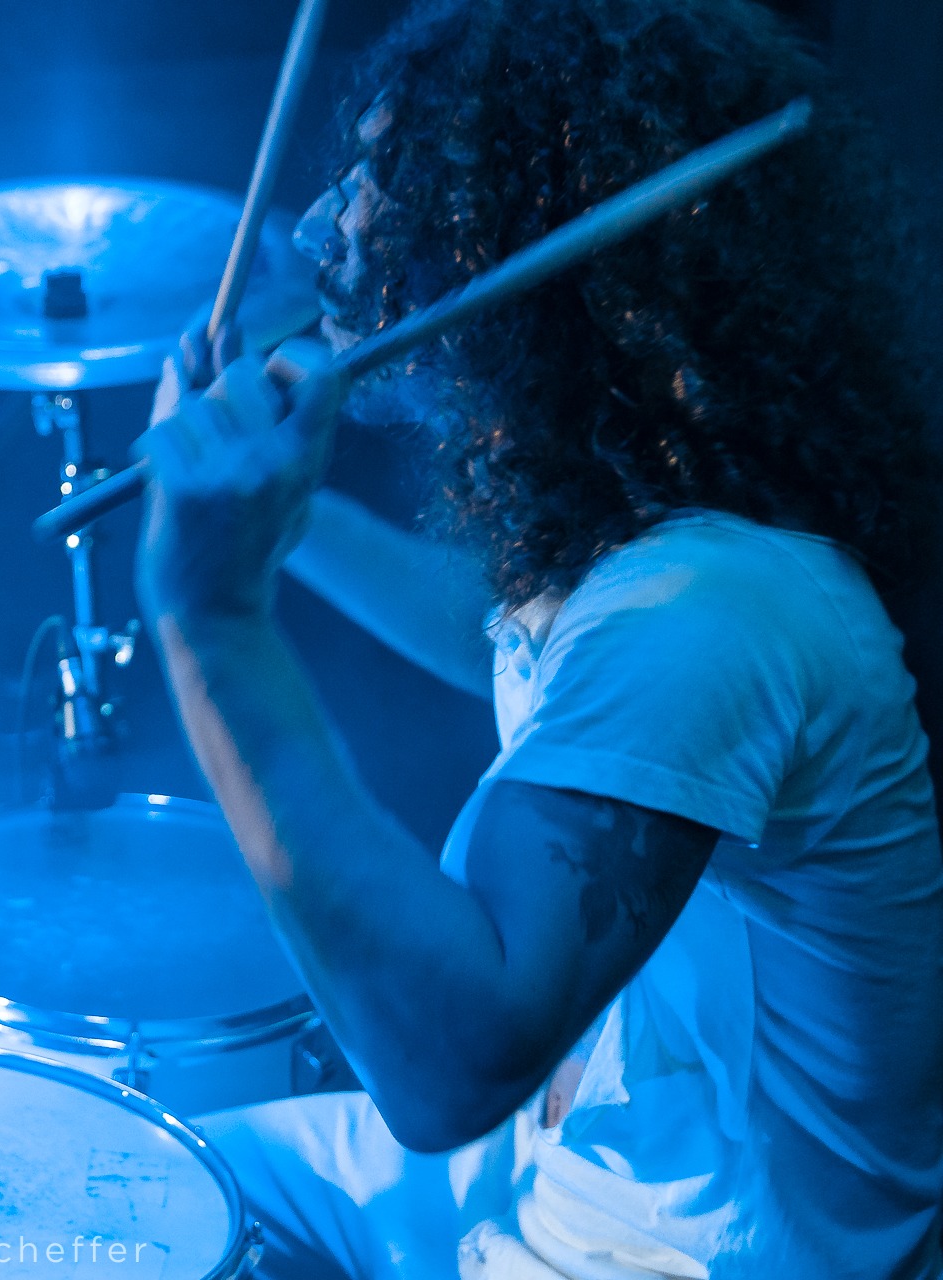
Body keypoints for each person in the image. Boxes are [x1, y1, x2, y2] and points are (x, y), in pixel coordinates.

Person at [137, 0, 943, 1276]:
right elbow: (493, 638)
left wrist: (214, 618)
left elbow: (451, 1067)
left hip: (664, 1254)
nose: (324, 219)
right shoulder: (653, 551)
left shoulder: (709, 613)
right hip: (546, 1170)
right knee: (110, 1172)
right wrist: (287, 520)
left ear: (543, 243)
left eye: (391, 179)